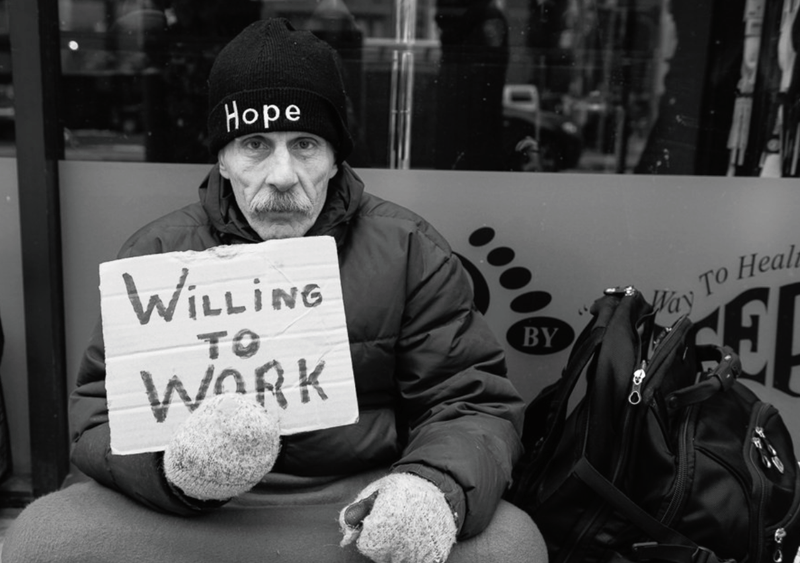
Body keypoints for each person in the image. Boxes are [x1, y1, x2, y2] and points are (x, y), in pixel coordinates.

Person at [3, 18, 547, 563]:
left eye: (305, 144)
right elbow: (100, 416)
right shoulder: (158, 252)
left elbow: (469, 401)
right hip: (192, 511)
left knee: (512, 544)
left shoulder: (409, 249)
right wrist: (175, 473)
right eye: (255, 145)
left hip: (356, 502)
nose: (282, 175)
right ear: (222, 158)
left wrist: (430, 487)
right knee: (40, 539)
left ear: (335, 158)